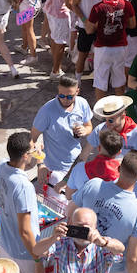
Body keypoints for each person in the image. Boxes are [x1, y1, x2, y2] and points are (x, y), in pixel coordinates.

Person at [0, 133, 43, 273]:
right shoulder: (23, 186)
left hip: (5, 246)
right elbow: (25, 231)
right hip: (25, 254)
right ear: (24, 156)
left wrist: (34, 150)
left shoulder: (1, 167)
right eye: (32, 150)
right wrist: (38, 259)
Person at [30, 75, 93, 206]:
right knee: (58, 208)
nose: (65, 100)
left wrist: (85, 131)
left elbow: (89, 126)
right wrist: (40, 164)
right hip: (55, 168)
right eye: (61, 95)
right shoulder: (47, 111)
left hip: (76, 165)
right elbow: (32, 140)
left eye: (70, 97)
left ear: (77, 92)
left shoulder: (82, 104)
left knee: (76, 205)